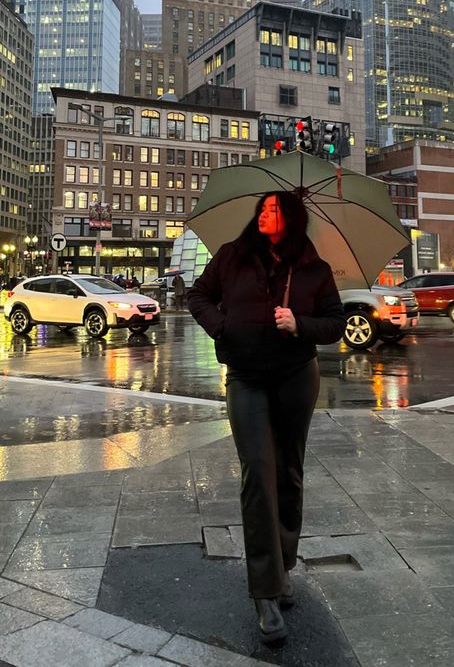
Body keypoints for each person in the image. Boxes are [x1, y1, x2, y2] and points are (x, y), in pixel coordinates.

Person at [187, 191, 345, 644]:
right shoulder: (232, 257)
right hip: (246, 377)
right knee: (258, 470)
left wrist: (300, 324)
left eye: (273, 210)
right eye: (262, 209)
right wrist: (222, 326)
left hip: (297, 377)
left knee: (289, 473)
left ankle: (282, 566)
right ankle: (265, 591)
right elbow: (198, 295)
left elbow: (334, 322)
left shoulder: (313, 268)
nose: (264, 215)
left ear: (292, 219)